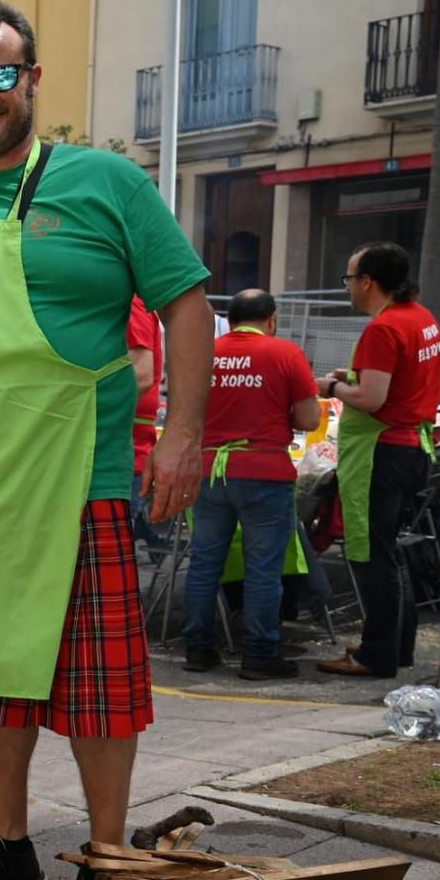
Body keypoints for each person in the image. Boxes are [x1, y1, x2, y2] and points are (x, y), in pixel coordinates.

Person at [0, 0, 212, 880]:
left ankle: (108, 864)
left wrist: (181, 431)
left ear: (32, 78)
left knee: (99, 684)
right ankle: (8, 839)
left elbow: (187, 304)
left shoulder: (104, 182)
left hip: (82, 471)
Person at [315, 243, 440, 678]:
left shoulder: (384, 329)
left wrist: (331, 389)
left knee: (372, 554)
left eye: (349, 278)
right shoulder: (422, 318)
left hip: (382, 454)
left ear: (368, 281)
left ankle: (376, 655)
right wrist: (350, 378)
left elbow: (372, 398)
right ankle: (394, 645)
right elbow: (398, 381)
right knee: (390, 551)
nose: (348, 286)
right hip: (411, 448)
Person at [181, 290, 320, 680]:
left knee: (205, 562)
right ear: (271, 319)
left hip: (209, 470)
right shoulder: (286, 354)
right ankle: (259, 654)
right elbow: (309, 420)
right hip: (264, 472)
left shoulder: (204, 352)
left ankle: (198, 649)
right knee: (263, 568)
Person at [128, 298, 168, 558]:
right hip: (133, 445)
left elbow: (140, 376)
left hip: (125, 445)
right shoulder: (141, 308)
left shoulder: (133, 306)